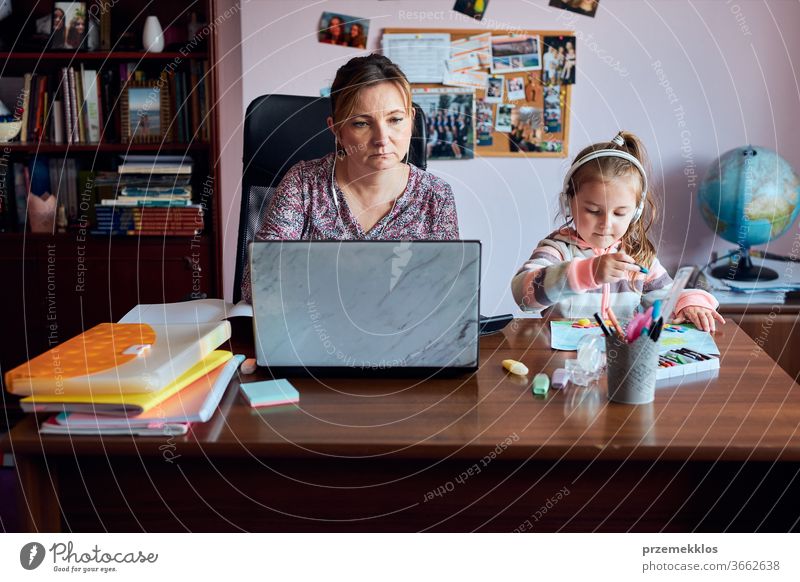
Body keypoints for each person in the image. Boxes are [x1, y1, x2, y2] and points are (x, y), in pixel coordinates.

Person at [241, 54, 460, 303]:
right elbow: (257, 283)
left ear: (410, 119)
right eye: (361, 123)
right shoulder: (303, 184)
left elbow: (446, 294)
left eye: (395, 120)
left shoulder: (436, 195)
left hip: (400, 335)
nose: (382, 138)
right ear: (336, 129)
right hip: (312, 330)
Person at [511, 131, 725, 332]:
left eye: (620, 213)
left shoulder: (638, 257)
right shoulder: (557, 250)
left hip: (619, 361)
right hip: (562, 361)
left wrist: (689, 303)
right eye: (593, 211)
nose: (606, 223)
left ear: (636, 212)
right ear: (569, 204)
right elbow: (523, 296)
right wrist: (586, 273)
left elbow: (667, 298)